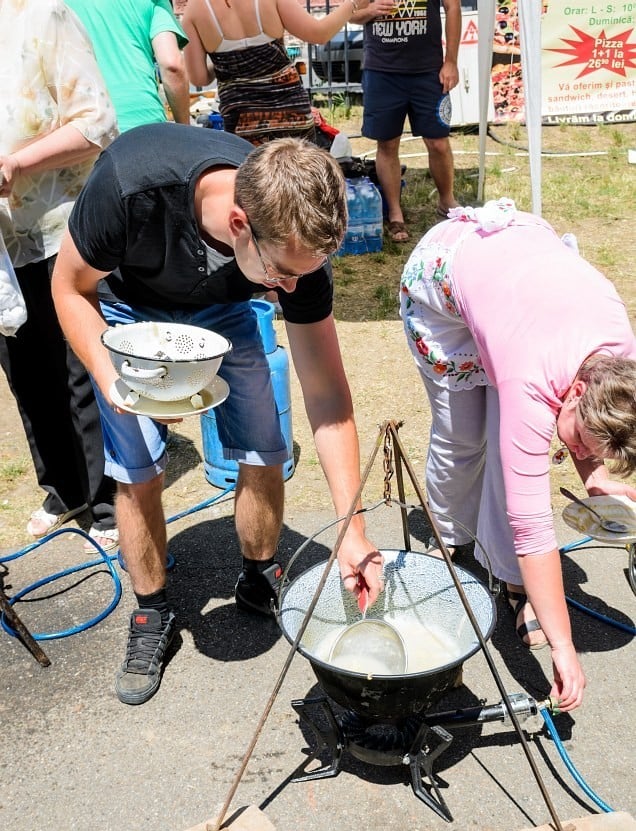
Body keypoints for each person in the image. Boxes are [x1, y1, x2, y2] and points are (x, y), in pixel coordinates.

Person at [51, 125, 383, 706]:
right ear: (239, 227)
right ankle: (152, 611)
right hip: (128, 305)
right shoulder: (132, 187)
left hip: (223, 307)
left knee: (264, 441)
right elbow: (68, 287)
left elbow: (328, 397)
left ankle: (259, 575)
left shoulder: (291, 247)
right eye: (283, 274)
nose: (293, 287)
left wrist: (351, 532)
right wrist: (118, 380)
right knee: (136, 463)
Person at [399, 198, 636, 713]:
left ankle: (512, 585)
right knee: (463, 438)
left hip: (520, 291)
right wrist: (564, 645)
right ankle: (446, 538)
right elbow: (533, 526)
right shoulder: (535, 378)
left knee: (512, 475)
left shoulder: (623, 356)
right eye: (576, 438)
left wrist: (595, 474)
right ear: (573, 390)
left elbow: (590, 428)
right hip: (447, 277)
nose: (571, 449)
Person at [0, 0, 119, 551]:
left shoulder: (45, 14)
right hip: (4, 240)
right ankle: (61, 490)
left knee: (80, 369)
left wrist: (15, 165)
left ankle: (105, 502)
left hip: (63, 224)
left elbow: (97, 124)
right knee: (24, 368)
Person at [182, 0, 371, 145]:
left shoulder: (193, 10)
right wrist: (353, 4)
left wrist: (230, 62)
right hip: (291, 113)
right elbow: (318, 33)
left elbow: (199, 77)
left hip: (241, 122)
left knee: (256, 187)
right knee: (300, 183)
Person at [351, 0, 460, 243]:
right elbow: (351, 15)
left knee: (438, 143)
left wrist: (451, 60)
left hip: (429, 70)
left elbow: (453, 8)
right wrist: (370, 11)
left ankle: (447, 200)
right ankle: (395, 213)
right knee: (388, 144)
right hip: (382, 71)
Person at [66, 0, 191, 133]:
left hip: (89, 126)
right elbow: (172, 65)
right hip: (147, 122)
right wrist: (186, 130)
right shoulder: (154, 2)